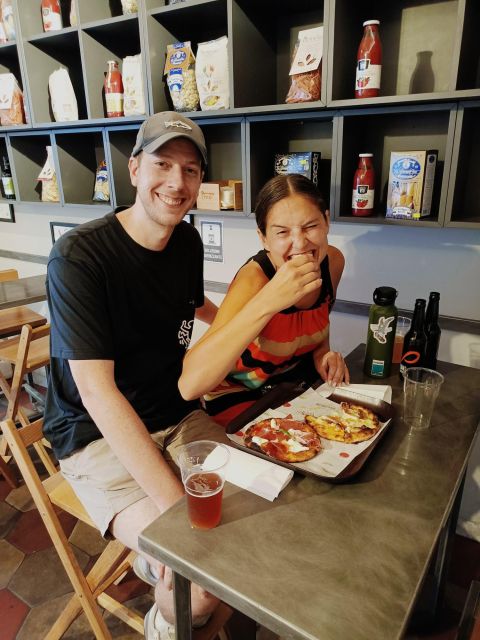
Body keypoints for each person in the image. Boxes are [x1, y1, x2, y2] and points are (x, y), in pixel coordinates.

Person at [43, 111, 228, 640]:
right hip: (96, 435)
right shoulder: (79, 257)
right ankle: (163, 617)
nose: (176, 183)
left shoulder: (186, 243)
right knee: (197, 576)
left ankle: (157, 563)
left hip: (176, 414)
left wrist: (244, 327)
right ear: (134, 168)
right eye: (163, 164)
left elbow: (196, 304)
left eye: (190, 170)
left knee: (253, 514)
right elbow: (98, 395)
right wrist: (178, 515)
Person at [179, 173, 350, 426]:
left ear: (326, 221)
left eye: (310, 226)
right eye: (282, 232)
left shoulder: (332, 262)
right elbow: (190, 385)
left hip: (291, 388)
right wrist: (269, 300)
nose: (300, 243)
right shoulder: (254, 281)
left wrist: (324, 357)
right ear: (263, 238)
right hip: (239, 394)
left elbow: (316, 334)